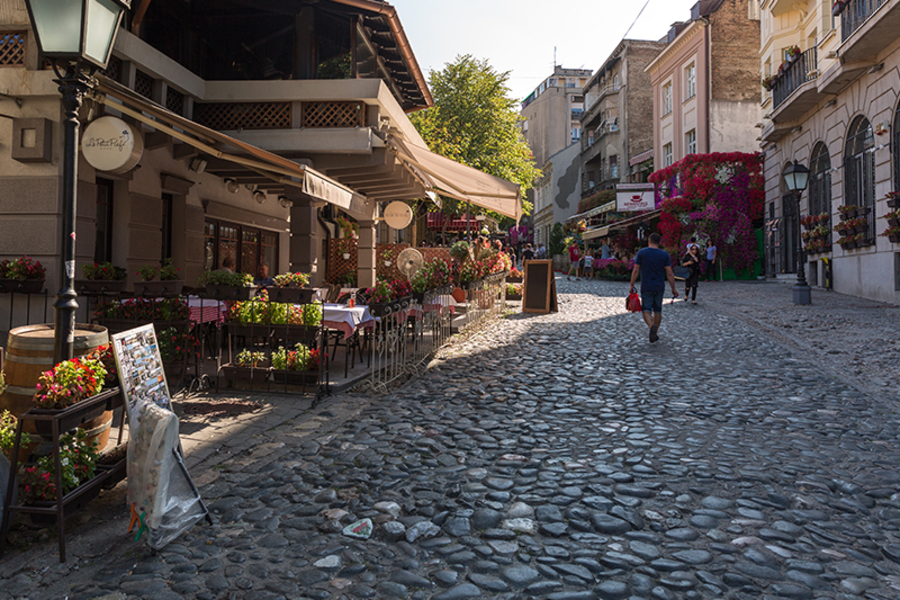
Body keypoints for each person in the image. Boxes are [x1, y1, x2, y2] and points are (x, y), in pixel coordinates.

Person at [630, 233, 679, 343]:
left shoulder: (642, 253)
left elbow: (636, 270)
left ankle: (651, 326)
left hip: (646, 285)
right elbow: (669, 273)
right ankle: (655, 332)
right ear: (659, 242)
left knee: (646, 309)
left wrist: (632, 284)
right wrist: (673, 288)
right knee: (658, 310)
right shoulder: (664, 255)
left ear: (649, 241)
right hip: (659, 285)